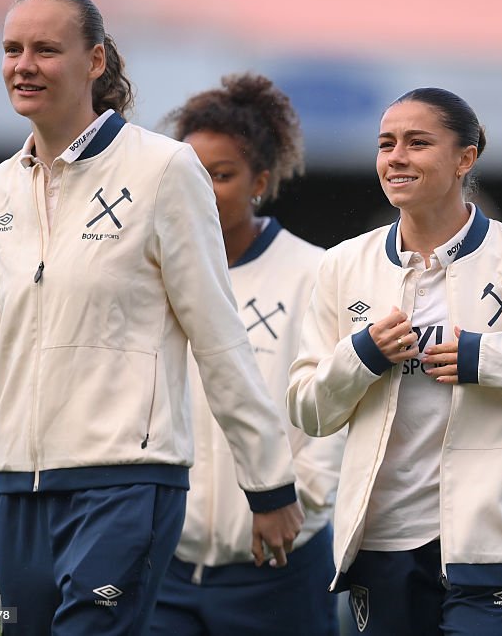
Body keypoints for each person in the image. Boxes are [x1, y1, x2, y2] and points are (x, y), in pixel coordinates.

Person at [0, 0, 302, 635]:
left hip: (127, 485)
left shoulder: (164, 170)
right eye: (12, 49)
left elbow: (218, 334)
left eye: (46, 49)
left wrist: (269, 482)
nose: (23, 64)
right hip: (22, 493)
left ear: (94, 62)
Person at [287, 87, 502, 635]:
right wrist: (362, 354)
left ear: (466, 158)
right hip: (380, 545)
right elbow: (309, 410)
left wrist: (491, 360)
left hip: (494, 545)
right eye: (386, 143)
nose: (396, 157)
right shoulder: (342, 265)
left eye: (418, 143)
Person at [151, 73, 343, 635]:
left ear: (260, 180)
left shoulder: (316, 272)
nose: (204, 189)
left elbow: (335, 405)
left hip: (281, 562)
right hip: (163, 563)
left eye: (223, 175)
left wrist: (297, 507)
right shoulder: (149, 270)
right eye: (191, 174)